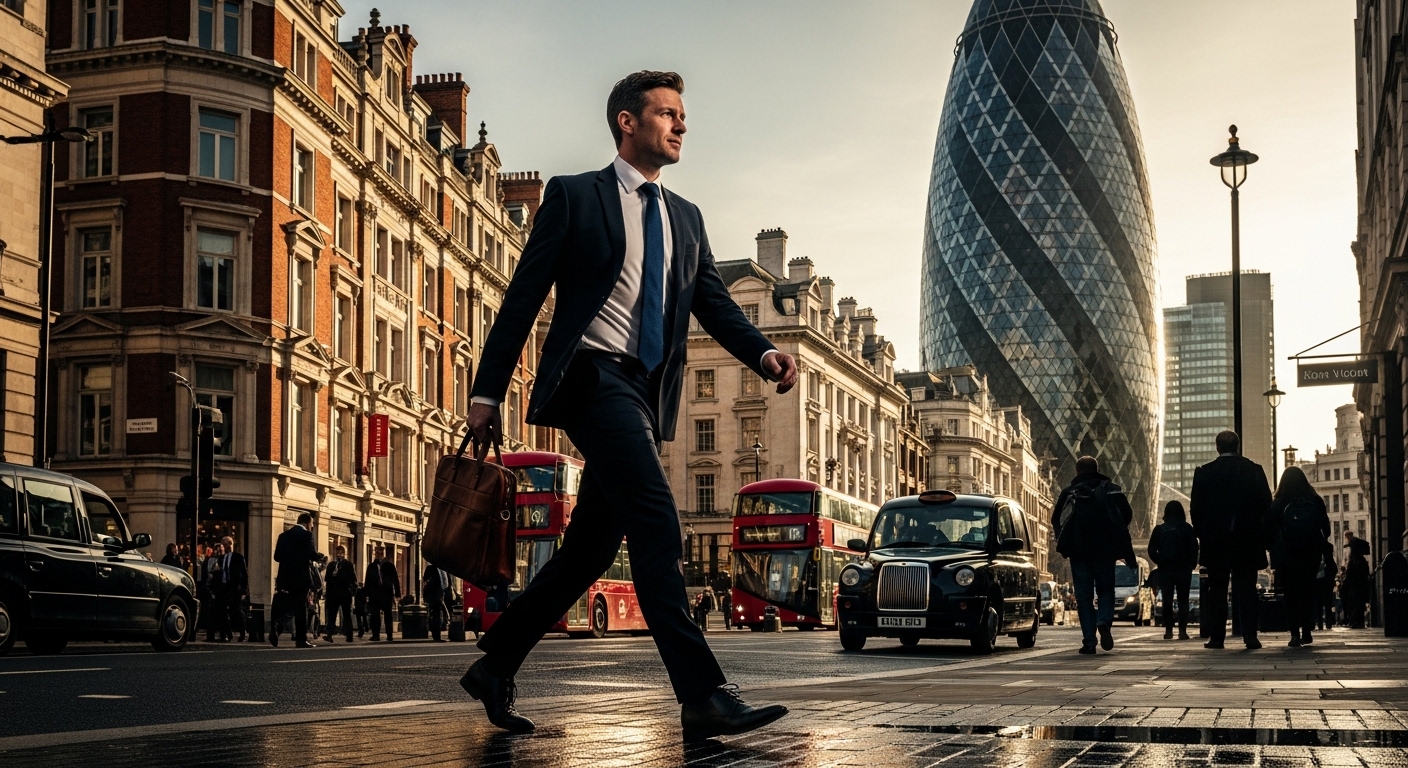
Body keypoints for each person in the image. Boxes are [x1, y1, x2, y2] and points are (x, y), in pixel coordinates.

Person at [458, 70, 794, 741]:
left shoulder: (686, 219)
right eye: (668, 114)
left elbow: (715, 305)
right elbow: (523, 296)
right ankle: (701, 694)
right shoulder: (576, 196)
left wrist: (762, 354)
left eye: (682, 117)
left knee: (587, 552)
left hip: (644, 393)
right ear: (627, 122)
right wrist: (487, 391)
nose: (681, 125)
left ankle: (494, 665)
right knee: (655, 516)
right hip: (591, 378)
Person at [1190, 430, 1272, 650]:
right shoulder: (1254, 471)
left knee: (1216, 591)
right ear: (1238, 446)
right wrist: (1261, 536)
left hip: (1216, 542)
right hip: (1247, 541)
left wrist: (1204, 534)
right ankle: (1250, 636)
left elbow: (1196, 510)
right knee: (1247, 589)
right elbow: (1266, 506)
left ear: (1217, 447)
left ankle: (1217, 638)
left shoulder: (1204, 473)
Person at [1050, 455, 1136, 655]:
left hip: (1079, 552)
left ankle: (1089, 641)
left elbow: (1056, 519)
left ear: (1078, 471)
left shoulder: (1069, 492)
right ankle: (1104, 620)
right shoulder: (1111, 488)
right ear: (1097, 469)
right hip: (1105, 551)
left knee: (1084, 597)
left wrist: (1065, 543)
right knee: (1106, 591)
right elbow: (1127, 514)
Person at [1262, 466, 1331, 647]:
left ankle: (1294, 634)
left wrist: (1273, 548)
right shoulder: (1315, 500)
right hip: (1310, 555)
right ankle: (1307, 630)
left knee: (1290, 593)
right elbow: (1327, 529)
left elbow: (1267, 530)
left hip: (1285, 556)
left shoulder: (1277, 502)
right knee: (1307, 592)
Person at [1148, 500, 1199, 640]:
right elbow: (1194, 548)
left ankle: (1168, 630)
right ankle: (1183, 631)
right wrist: (1191, 564)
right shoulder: (1187, 528)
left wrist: (1160, 561)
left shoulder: (1160, 529)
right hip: (1183, 569)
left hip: (1166, 569)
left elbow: (1151, 550)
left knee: (1167, 600)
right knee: (1183, 600)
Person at [272, 513, 323, 648]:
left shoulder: (283, 536)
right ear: (307, 523)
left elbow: (277, 557)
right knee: (300, 608)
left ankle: (278, 626)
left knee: (290, 604)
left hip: (285, 577)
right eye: (312, 524)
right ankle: (299, 638)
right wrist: (320, 557)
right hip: (300, 577)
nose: (312, 526)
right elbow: (311, 554)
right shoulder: (306, 535)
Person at [217, 536, 249, 642]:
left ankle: (242, 632)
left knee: (235, 610)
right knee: (221, 610)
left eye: (224, 544)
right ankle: (226, 633)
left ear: (229, 544)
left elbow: (244, 573)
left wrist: (244, 589)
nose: (223, 546)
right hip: (224, 586)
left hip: (234, 587)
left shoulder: (238, 557)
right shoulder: (221, 558)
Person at [366, 545, 400, 641]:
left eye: (381, 553)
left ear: (384, 554)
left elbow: (395, 579)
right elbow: (367, 581)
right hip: (375, 595)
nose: (379, 555)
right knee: (375, 616)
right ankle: (375, 635)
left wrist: (397, 593)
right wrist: (366, 594)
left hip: (386, 593)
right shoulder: (371, 566)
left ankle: (389, 635)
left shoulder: (389, 565)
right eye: (377, 553)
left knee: (388, 615)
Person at [324, 546, 357, 643]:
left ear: (344, 553)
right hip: (333, 594)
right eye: (337, 552)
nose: (339, 554)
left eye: (341, 552)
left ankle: (349, 635)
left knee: (346, 615)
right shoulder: (331, 565)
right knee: (332, 615)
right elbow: (328, 579)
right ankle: (329, 634)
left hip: (344, 593)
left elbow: (352, 579)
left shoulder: (348, 565)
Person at [1343, 531, 1372, 628]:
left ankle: (1356, 622)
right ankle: (1357, 622)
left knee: (1355, 603)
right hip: (1359, 586)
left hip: (1355, 586)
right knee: (1358, 603)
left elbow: (1351, 573)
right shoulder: (1362, 561)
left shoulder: (1355, 560)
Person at [203, 542, 226, 642]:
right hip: (214, 587)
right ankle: (214, 634)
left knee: (218, 612)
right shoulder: (212, 560)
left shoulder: (221, 560)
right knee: (214, 613)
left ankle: (220, 634)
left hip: (218, 588)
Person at [424, 564, 451, 642]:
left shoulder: (444, 568)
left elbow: (447, 582)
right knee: (437, 615)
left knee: (439, 615)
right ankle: (436, 635)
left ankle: (436, 634)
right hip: (434, 595)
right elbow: (426, 580)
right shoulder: (431, 568)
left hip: (441, 594)